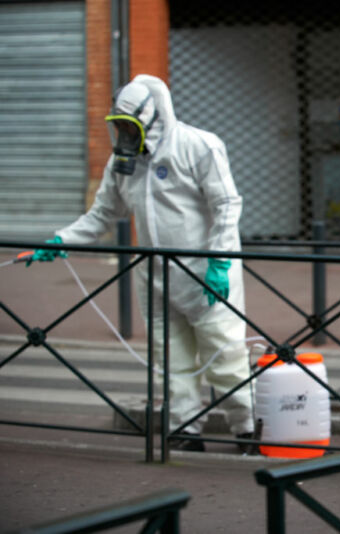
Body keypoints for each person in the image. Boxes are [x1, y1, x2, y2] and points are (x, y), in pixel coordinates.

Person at [27, 74, 254, 453]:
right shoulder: (123, 163)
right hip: (155, 278)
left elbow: (226, 205)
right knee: (170, 359)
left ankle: (247, 429)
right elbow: (102, 214)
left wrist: (220, 261)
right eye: (118, 127)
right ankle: (186, 430)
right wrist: (61, 240)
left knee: (225, 355)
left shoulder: (198, 146)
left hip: (204, 274)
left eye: (129, 127)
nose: (124, 136)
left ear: (152, 118)